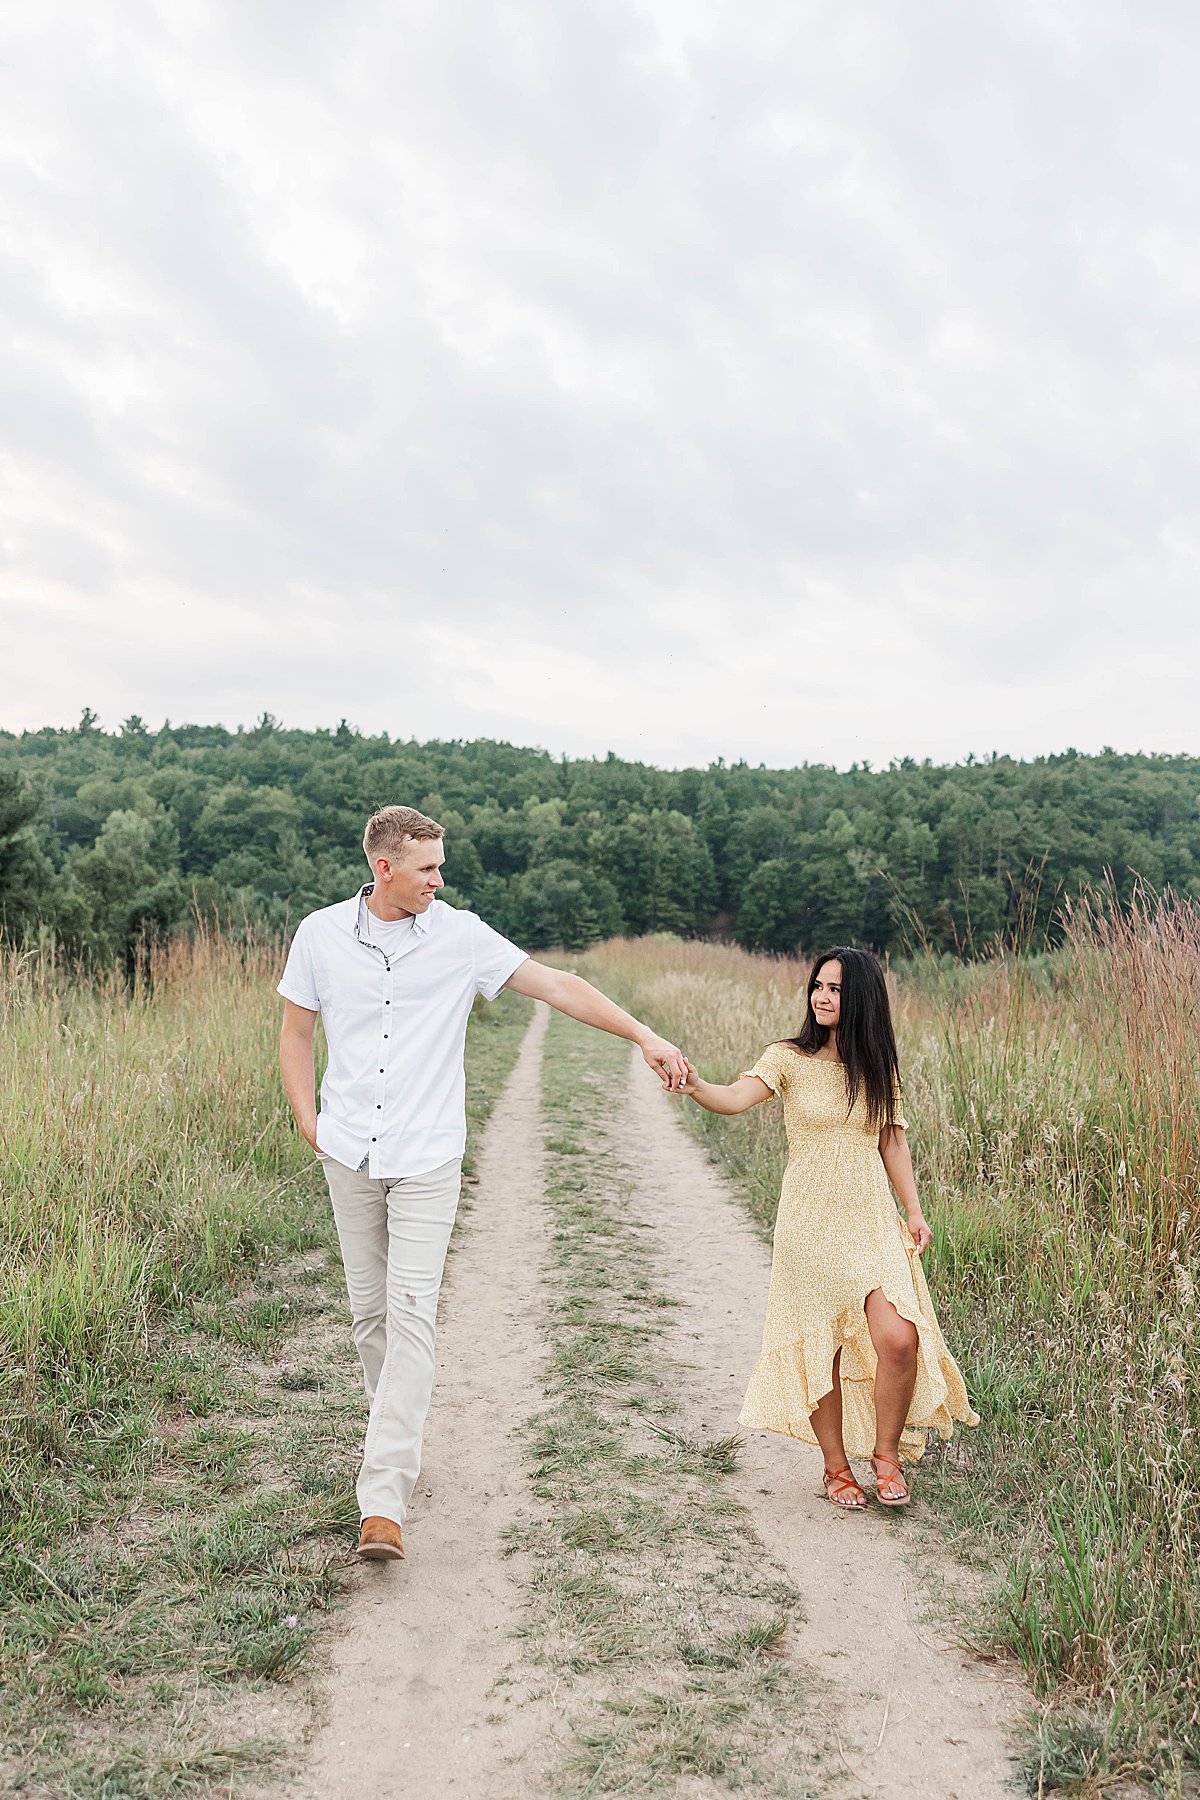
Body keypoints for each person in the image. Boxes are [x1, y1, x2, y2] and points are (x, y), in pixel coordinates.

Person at [278, 804, 689, 1559]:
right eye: (428, 867)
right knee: (369, 1315)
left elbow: (560, 987)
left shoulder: (461, 935)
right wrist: (309, 1120)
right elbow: (297, 1031)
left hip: (428, 1155)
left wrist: (643, 1034)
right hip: (348, 1153)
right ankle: (395, 1436)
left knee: (411, 1313)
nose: (440, 879)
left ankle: (383, 1497)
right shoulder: (320, 934)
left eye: (440, 866)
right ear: (384, 869)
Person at [679, 946, 976, 1508]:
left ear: (860, 996)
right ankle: (836, 1467)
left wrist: (914, 1211)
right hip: (809, 1221)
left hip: (869, 1217)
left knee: (899, 1338)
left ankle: (885, 1455)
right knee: (822, 1348)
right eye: (818, 985)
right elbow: (735, 1098)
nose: (821, 995)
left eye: (835, 988)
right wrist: (698, 1086)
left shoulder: (878, 1066)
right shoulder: (787, 1057)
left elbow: (892, 1139)